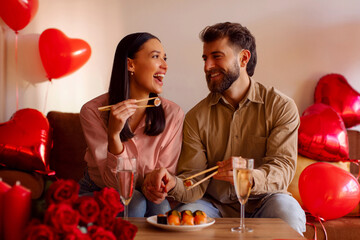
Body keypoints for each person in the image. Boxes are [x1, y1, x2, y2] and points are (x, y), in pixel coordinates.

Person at [145, 22, 306, 235]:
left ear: (243, 58)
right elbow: (194, 180)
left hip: (266, 200)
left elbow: (282, 168)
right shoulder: (196, 117)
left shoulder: (280, 106)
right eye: (205, 58)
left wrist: (249, 177)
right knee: (185, 218)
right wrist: (173, 183)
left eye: (217, 56)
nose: (207, 66)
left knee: (287, 212)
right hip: (214, 205)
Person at [78, 32, 184, 217]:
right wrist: (113, 136)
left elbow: (164, 175)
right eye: (155, 57)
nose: (164, 65)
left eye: (164, 58)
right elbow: (113, 183)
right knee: (134, 202)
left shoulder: (173, 114)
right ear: (130, 64)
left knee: (160, 208)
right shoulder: (92, 111)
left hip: (145, 194)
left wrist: (158, 184)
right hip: (99, 191)